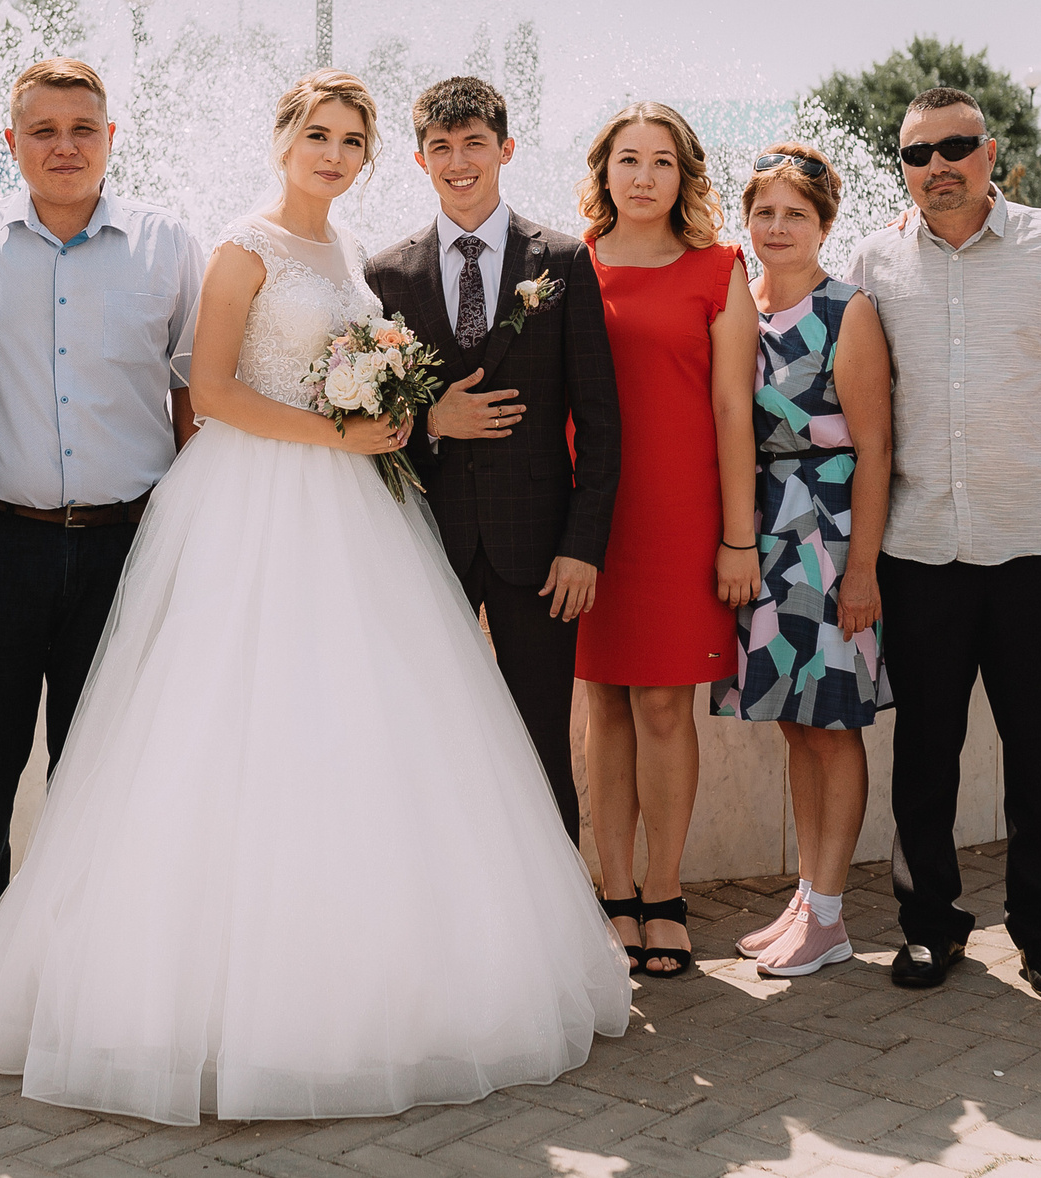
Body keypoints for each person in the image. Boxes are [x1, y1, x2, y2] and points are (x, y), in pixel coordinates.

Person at [0, 72, 630, 1123]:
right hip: (256, 506)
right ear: (281, 140)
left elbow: (371, 376)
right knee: (223, 732)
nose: (334, 152)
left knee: (364, 734)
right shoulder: (243, 246)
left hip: (354, 515)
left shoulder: (353, 258)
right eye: (318, 133)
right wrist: (344, 432)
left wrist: (397, 416)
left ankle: (374, 978)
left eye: (351, 138)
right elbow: (212, 392)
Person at [0, 58, 206, 1041]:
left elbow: (194, 404)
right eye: (42, 129)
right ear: (10, 144)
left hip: (127, 547)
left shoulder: (170, 248)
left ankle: (92, 970)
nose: (64, 145)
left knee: (106, 768)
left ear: (112, 137)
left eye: (83, 127)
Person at [843, 88, 1041, 1003]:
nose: (939, 165)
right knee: (924, 752)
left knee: (1040, 753)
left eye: (957, 146)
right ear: (904, 165)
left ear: (991, 151)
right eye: (920, 152)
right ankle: (929, 927)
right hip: (918, 552)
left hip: (1037, 544)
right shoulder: (873, 264)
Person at [364, 77, 622, 847]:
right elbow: (369, 427)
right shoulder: (388, 274)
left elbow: (601, 422)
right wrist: (430, 422)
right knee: (425, 739)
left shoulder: (566, 261)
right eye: (440, 146)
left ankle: (565, 936)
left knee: (542, 737)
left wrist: (582, 547)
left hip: (540, 549)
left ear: (506, 149)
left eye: (474, 142)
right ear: (419, 159)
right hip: (426, 545)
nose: (458, 159)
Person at [572, 103, 762, 981]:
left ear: (685, 175)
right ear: (603, 170)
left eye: (659, 161)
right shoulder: (568, 264)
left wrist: (737, 537)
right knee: (603, 701)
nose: (642, 176)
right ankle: (611, 894)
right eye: (626, 159)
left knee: (661, 706)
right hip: (586, 519)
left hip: (682, 513)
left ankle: (663, 891)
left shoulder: (719, 270)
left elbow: (733, 409)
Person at [716, 142, 893, 980]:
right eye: (765, 212)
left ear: (825, 224)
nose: (777, 227)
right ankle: (805, 896)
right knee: (795, 716)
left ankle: (831, 915)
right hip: (763, 531)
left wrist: (863, 570)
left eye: (797, 214)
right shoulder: (738, 305)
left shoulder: (846, 311)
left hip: (824, 534)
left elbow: (878, 450)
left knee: (834, 723)